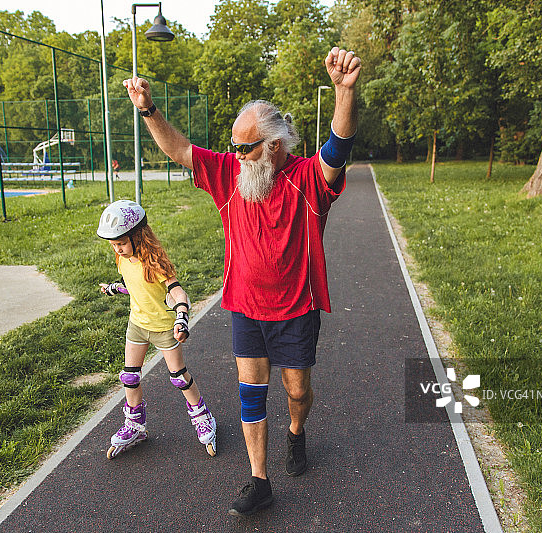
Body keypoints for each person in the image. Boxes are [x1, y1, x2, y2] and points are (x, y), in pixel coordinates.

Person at [122, 47, 360, 515]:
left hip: (296, 310)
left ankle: (296, 433)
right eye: (232, 145)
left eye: (244, 147)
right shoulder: (229, 176)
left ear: (273, 145)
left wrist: (343, 92)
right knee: (250, 392)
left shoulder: (309, 179)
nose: (235, 154)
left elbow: (339, 145)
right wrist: (148, 109)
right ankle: (259, 480)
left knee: (296, 391)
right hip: (246, 307)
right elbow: (180, 149)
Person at [98, 199, 217, 459]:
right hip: (137, 325)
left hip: (163, 328)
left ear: (137, 236)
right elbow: (137, 287)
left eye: (120, 243)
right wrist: (116, 288)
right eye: (113, 245)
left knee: (179, 377)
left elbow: (177, 292)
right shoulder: (123, 259)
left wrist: (182, 316)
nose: (116, 249)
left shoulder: (155, 262)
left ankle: (203, 417)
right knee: (129, 376)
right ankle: (135, 425)